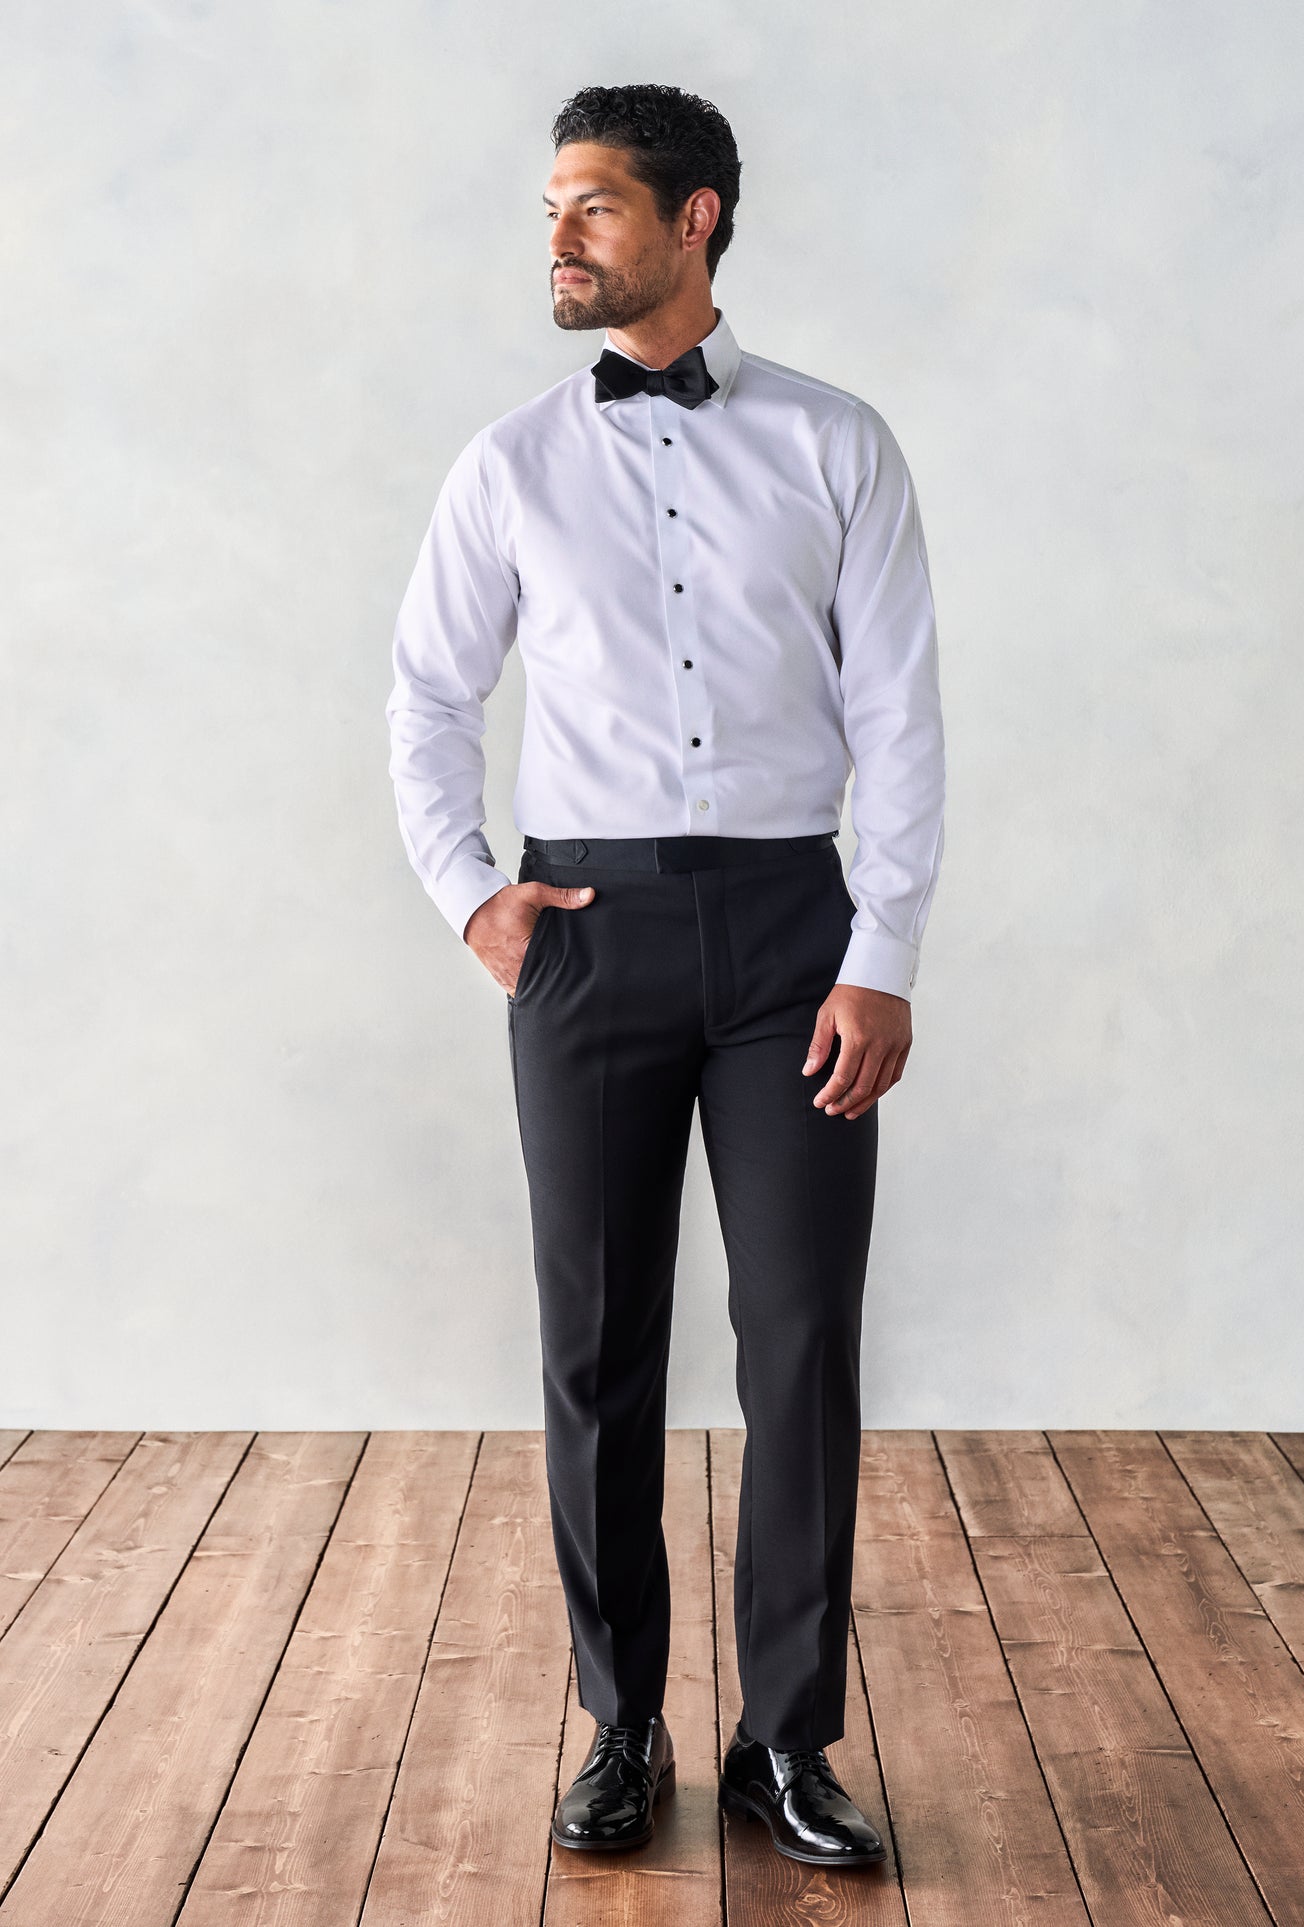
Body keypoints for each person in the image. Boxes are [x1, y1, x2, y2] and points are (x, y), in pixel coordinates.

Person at [385, 83, 945, 1868]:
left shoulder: (838, 444)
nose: (557, 236)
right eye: (548, 206)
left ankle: (786, 1742)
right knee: (598, 1351)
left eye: (594, 207)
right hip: (588, 940)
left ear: (695, 219)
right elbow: (425, 695)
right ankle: (622, 1725)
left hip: (797, 941)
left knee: (797, 1344)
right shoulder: (510, 463)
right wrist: (471, 892)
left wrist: (884, 953)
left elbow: (899, 720)